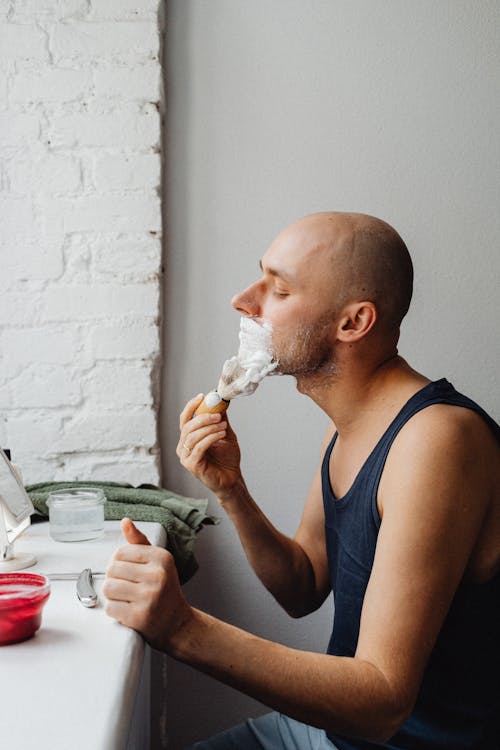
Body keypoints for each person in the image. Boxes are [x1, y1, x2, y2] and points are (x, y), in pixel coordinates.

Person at [103, 212, 500, 750]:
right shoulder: (348, 430)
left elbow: (384, 699)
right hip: (332, 733)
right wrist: (231, 490)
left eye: (279, 288)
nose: (244, 300)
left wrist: (181, 629)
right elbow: (302, 586)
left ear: (353, 323)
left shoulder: (437, 441)